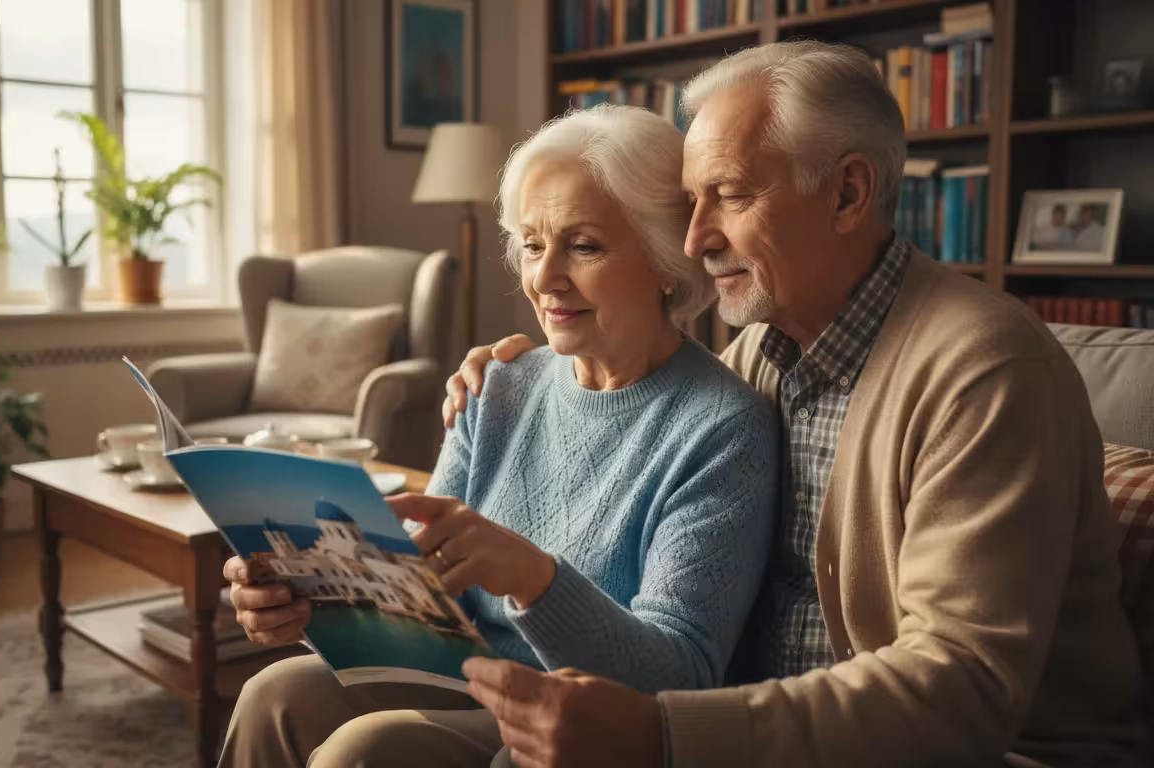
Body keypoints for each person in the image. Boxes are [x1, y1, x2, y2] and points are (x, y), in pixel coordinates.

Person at [448, 42, 1148, 768]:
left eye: (731, 195)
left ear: (846, 193)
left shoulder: (987, 371)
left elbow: (961, 687)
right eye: (693, 202)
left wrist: (663, 735)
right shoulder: (760, 357)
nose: (695, 239)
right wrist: (529, 369)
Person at [217, 105, 781, 768]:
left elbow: (680, 675)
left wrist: (532, 578)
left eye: (585, 245)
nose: (543, 279)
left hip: (572, 720)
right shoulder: (500, 385)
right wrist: (308, 603)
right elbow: (425, 604)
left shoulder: (723, 427)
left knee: (363, 751)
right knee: (274, 692)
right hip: (463, 672)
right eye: (535, 245)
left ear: (665, 261)